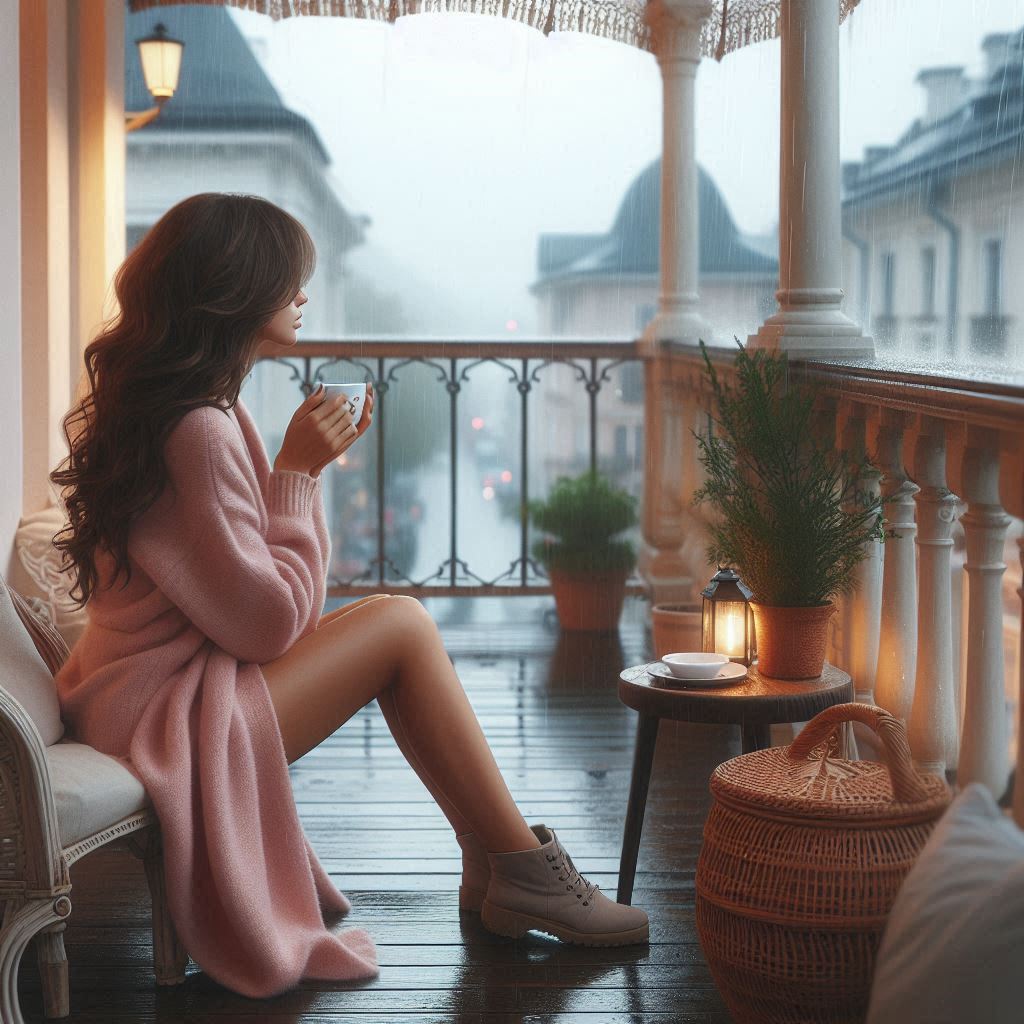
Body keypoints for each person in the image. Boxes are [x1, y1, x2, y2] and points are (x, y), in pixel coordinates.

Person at [49, 193, 648, 999]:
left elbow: (239, 596)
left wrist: (291, 474)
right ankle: (522, 870)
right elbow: (265, 625)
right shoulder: (197, 428)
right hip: (169, 714)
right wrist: (297, 476)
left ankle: (498, 863)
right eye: (288, 281)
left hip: (136, 692)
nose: (302, 297)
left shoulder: (185, 413)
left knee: (396, 623)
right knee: (401, 626)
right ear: (234, 290)